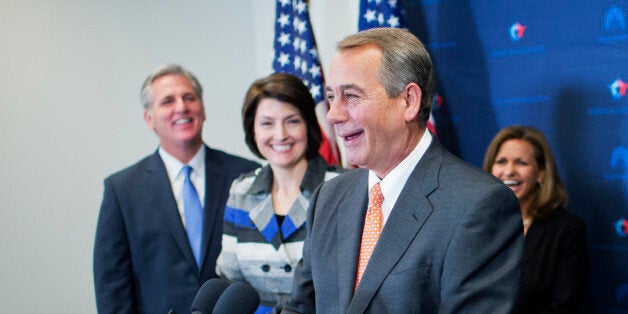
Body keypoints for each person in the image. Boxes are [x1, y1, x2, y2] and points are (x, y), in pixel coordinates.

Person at [283, 27, 523, 313]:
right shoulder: (329, 197)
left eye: (351, 96)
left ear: (408, 101)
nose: (334, 115)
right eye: (332, 97)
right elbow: (300, 308)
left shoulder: (479, 206)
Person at [93, 64, 260, 314]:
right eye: (168, 101)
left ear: (202, 109)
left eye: (189, 98)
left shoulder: (245, 174)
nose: (181, 107)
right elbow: (112, 287)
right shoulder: (122, 190)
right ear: (149, 118)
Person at [215, 73, 344, 313]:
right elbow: (229, 283)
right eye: (267, 123)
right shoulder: (241, 191)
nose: (280, 134)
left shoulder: (343, 187)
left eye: (292, 121)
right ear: (252, 130)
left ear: (308, 125)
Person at [484, 125, 588, 313]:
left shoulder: (567, 230)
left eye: (521, 163)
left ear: (541, 173)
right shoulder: (475, 225)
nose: (509, 171)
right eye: (501, 161)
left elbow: (563, 306)